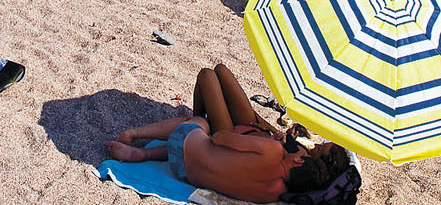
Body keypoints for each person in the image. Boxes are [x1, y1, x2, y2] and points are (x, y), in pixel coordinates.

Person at [106, 63, 351, 203]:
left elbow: (221, 140)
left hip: (227, 137)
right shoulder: (291, 181)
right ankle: (169, 143)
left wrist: (269, 141)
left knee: (206, 77)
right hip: (251, 132)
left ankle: (195, 121)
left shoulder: (290, 159)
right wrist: (271, 130)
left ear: (319, 162)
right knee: (221, 70)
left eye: (321, 149)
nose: (317, 146)